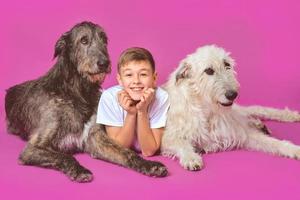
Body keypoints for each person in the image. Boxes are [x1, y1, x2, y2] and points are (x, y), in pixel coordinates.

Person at [96, 47, 169, 157]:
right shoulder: (109, 98)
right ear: (120, 79)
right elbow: (118, 149)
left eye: (143, 74)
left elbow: (148, 151)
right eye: (129, 75)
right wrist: (131, 114)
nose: (136, 81)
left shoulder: (161, 97)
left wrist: (142, 111)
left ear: (154, 78)